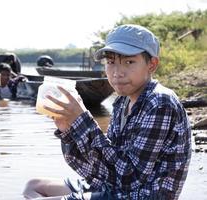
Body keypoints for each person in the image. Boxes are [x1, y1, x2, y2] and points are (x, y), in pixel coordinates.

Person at [23, 24, 192, 200]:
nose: (118, 73)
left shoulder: (159, 103)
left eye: (129, 62)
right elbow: (94, 170)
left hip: (140, 195)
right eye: (111, 63)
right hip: (114, 187)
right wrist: (68, 131)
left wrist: (83, 120)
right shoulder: (122, 102)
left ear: (152, 64)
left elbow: (128, 179)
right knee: (34, 187)